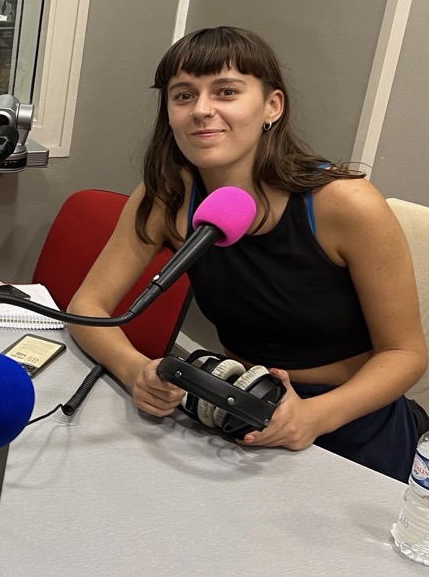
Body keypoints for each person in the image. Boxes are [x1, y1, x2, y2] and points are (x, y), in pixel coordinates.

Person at [67, 26, 426, 480]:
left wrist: (314, 416)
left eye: (226, 91)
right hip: (238, 406)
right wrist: (135, 369)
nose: (202, 110)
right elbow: (87, 306)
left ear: (272, 106)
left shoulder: (345, 203)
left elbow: (405, 353)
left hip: (349, 422)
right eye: (183, 96)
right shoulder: (168, 195)